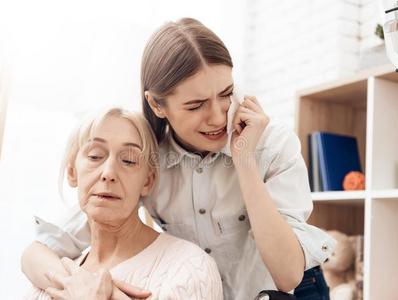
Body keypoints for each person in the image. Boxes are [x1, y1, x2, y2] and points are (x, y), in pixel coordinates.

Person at [22, 18, 335, 299]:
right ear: (157, 105)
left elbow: (288, 274)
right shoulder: (147, 160)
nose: (217, 117)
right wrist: (83, 288)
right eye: (196, 105)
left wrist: (244, 161)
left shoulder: (271, 144)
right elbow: (38, 252)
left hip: (293, 293)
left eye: (225, 94)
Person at [23, 108, 222, 299]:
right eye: (95, 156)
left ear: (147, 181)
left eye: (128, 160)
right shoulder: (49, 278)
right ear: (72, 173)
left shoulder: (189, 269)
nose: (108, 173)